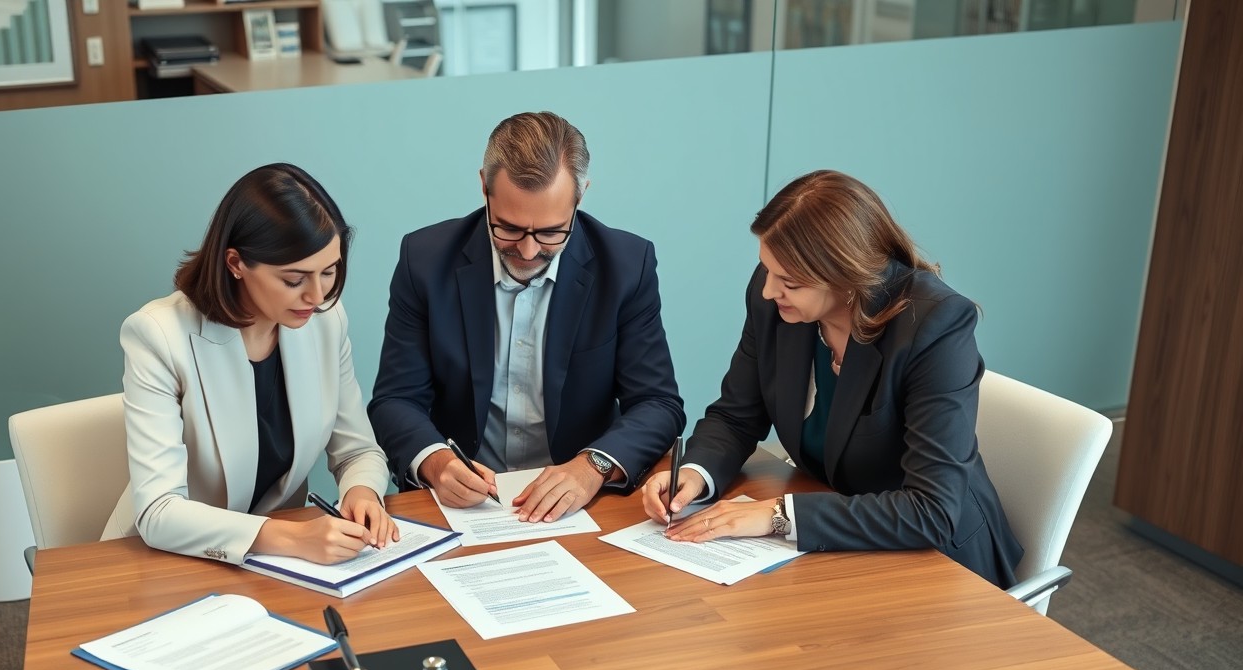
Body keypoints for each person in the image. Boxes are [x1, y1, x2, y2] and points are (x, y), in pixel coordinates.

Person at [641, 170, 1023, 588]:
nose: (769, 291)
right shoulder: (778, 301)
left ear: (848, 278)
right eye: (767, 270)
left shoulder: (935, 325)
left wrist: (778, 515)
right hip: (839, 542)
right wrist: (696, 475)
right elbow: (737, 415)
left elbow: (932, 510)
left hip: (939, 564)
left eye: (790, 282)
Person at [369, 111, 685, 523]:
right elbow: (396, 398)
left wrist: (593, 467)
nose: (529, 251)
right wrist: (436, 462)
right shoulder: (426, 261)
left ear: (581, 195)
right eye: (509, 229)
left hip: (578, 505)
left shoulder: (625, 266)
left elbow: (658, 403)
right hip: (461, 507)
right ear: (484, 185)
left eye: (552, 232)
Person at [101, 163, 399, 564]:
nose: (316, 294)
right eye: (294, 279)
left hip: (274, 563)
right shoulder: (158, 336)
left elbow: (357, 451)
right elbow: (159, 511)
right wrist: (292, 538)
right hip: (164, 558)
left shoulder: (326, 321)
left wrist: (362, 492)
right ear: (236, 263)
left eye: (329, 271)